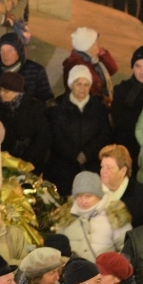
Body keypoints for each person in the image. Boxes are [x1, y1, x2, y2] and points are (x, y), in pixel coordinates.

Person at [46, 65, 111, 195]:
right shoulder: (57, 106)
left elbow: (105, 134)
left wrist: (87, 153)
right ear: (71, 85)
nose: (83, 88)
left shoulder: (99, 107)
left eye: (86, 84)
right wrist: (75, 154)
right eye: (79, 84)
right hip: (62, 168)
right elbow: (55, 135)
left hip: (91, 165)